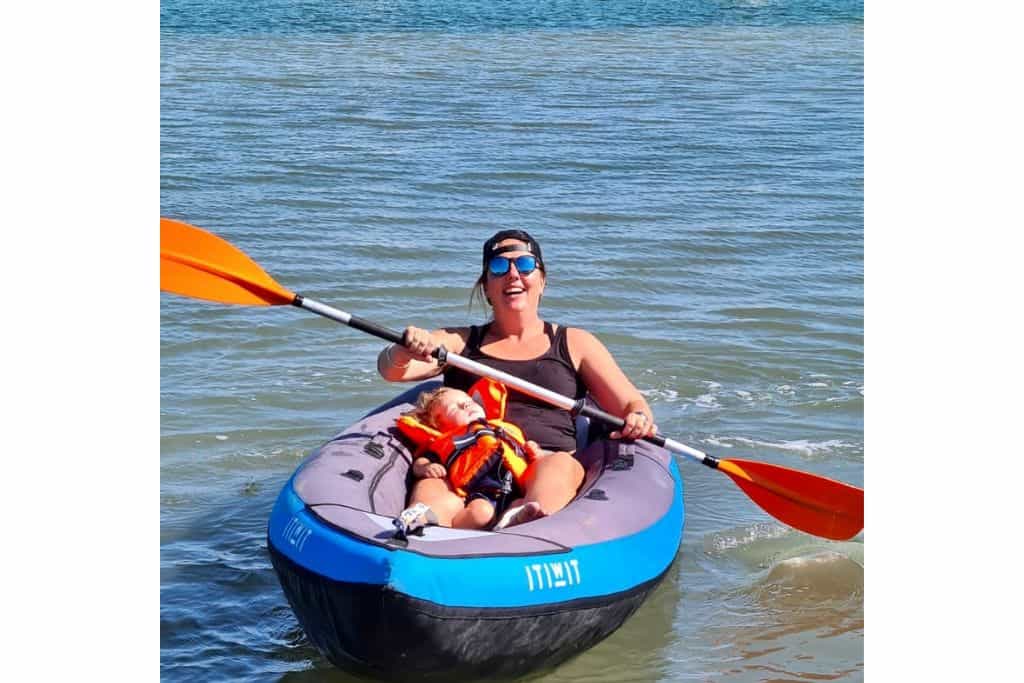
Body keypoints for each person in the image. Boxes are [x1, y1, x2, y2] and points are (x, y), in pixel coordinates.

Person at [378, 229, 657, 525]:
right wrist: (405, 348)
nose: (513, 275)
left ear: (542, 281)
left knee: (561, 466)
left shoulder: (574, 342)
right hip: (468, 464)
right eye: (499, 267)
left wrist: (638, 416)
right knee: (435, 483)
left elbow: (630, 403)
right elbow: (391, 370)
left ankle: (526, 519)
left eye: (524, 265)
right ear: (486, 287)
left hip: (541, 459)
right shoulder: (459, 342)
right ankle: (422, 526)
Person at [395, 380, 546, 530]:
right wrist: (425, 467)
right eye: (455, 408)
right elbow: (423, 460)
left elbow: (528, 458)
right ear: (439, 425)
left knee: (521, 504)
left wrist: (534, 452)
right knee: (481, 512)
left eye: (468, 401)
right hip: (483, 493)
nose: (466, 405)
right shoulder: (446, 442)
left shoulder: (505, 428)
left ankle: (510, 522)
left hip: (515, 490)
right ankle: (449, 531)